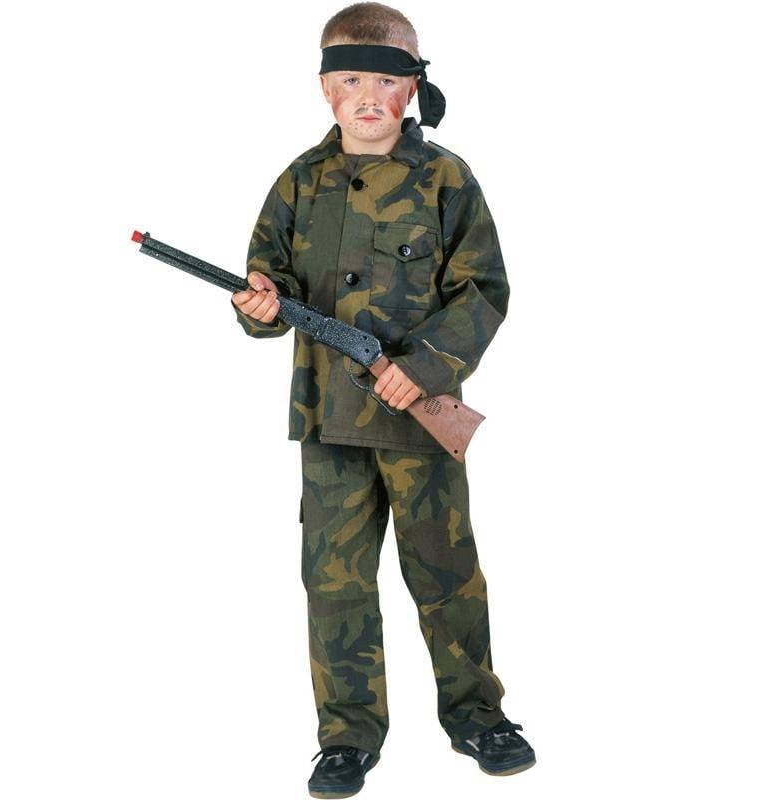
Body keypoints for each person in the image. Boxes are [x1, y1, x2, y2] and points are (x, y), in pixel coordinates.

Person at [231, 3, 536, 797]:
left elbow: (483, 289)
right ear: (325, 89)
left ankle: (478, 716)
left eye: (387, 81)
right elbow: (270, 285)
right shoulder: (298, 182)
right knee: (334, 583)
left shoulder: (447, 180)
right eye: (351, 81)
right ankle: (347, 736)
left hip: (418, 424)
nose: (368, 97)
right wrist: (257, 303)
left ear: (413, 89)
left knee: (446, 573)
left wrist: (424, 368)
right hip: (327, 423)